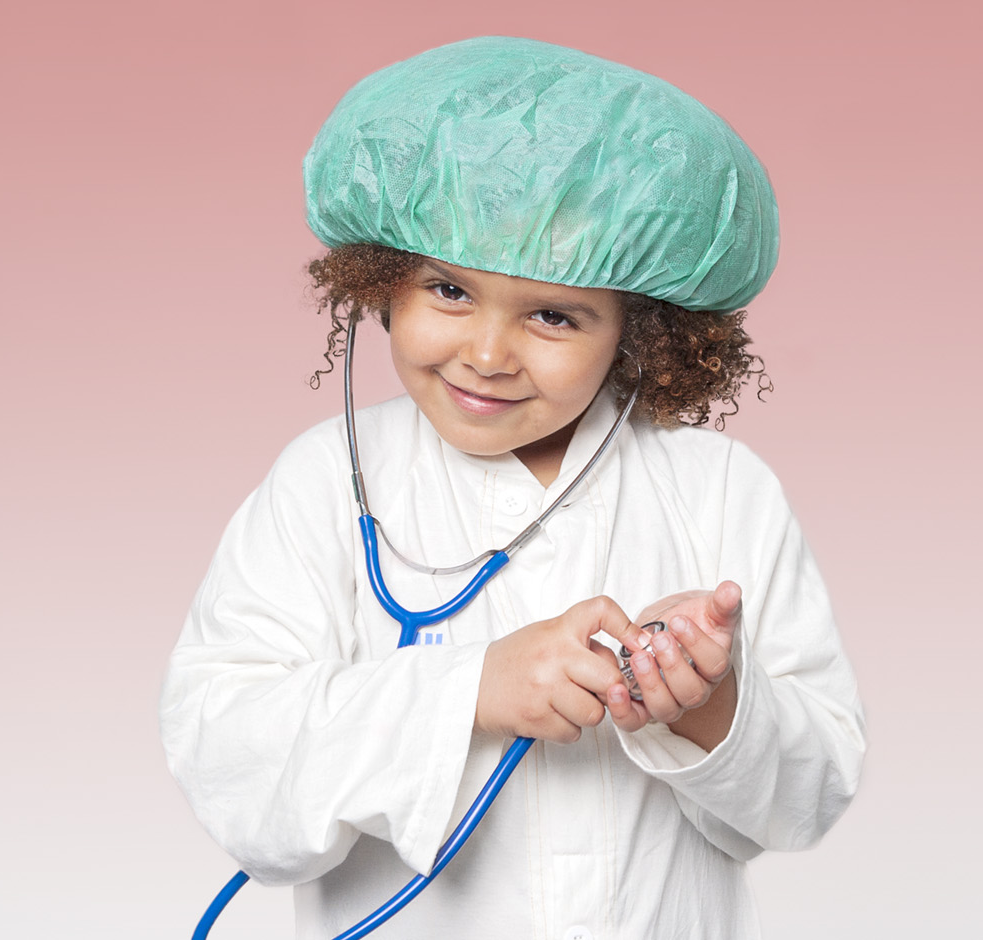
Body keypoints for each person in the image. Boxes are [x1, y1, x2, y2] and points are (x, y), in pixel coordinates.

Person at [161, 36, 866, 940]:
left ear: (641, 329)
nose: (487, 355)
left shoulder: (721, 489)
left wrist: (714, 706)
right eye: (449, 291)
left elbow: (809, 797)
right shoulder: (322, 486)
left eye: (552, 314)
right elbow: (231, 757)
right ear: (381, 281)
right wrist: (471, 690)